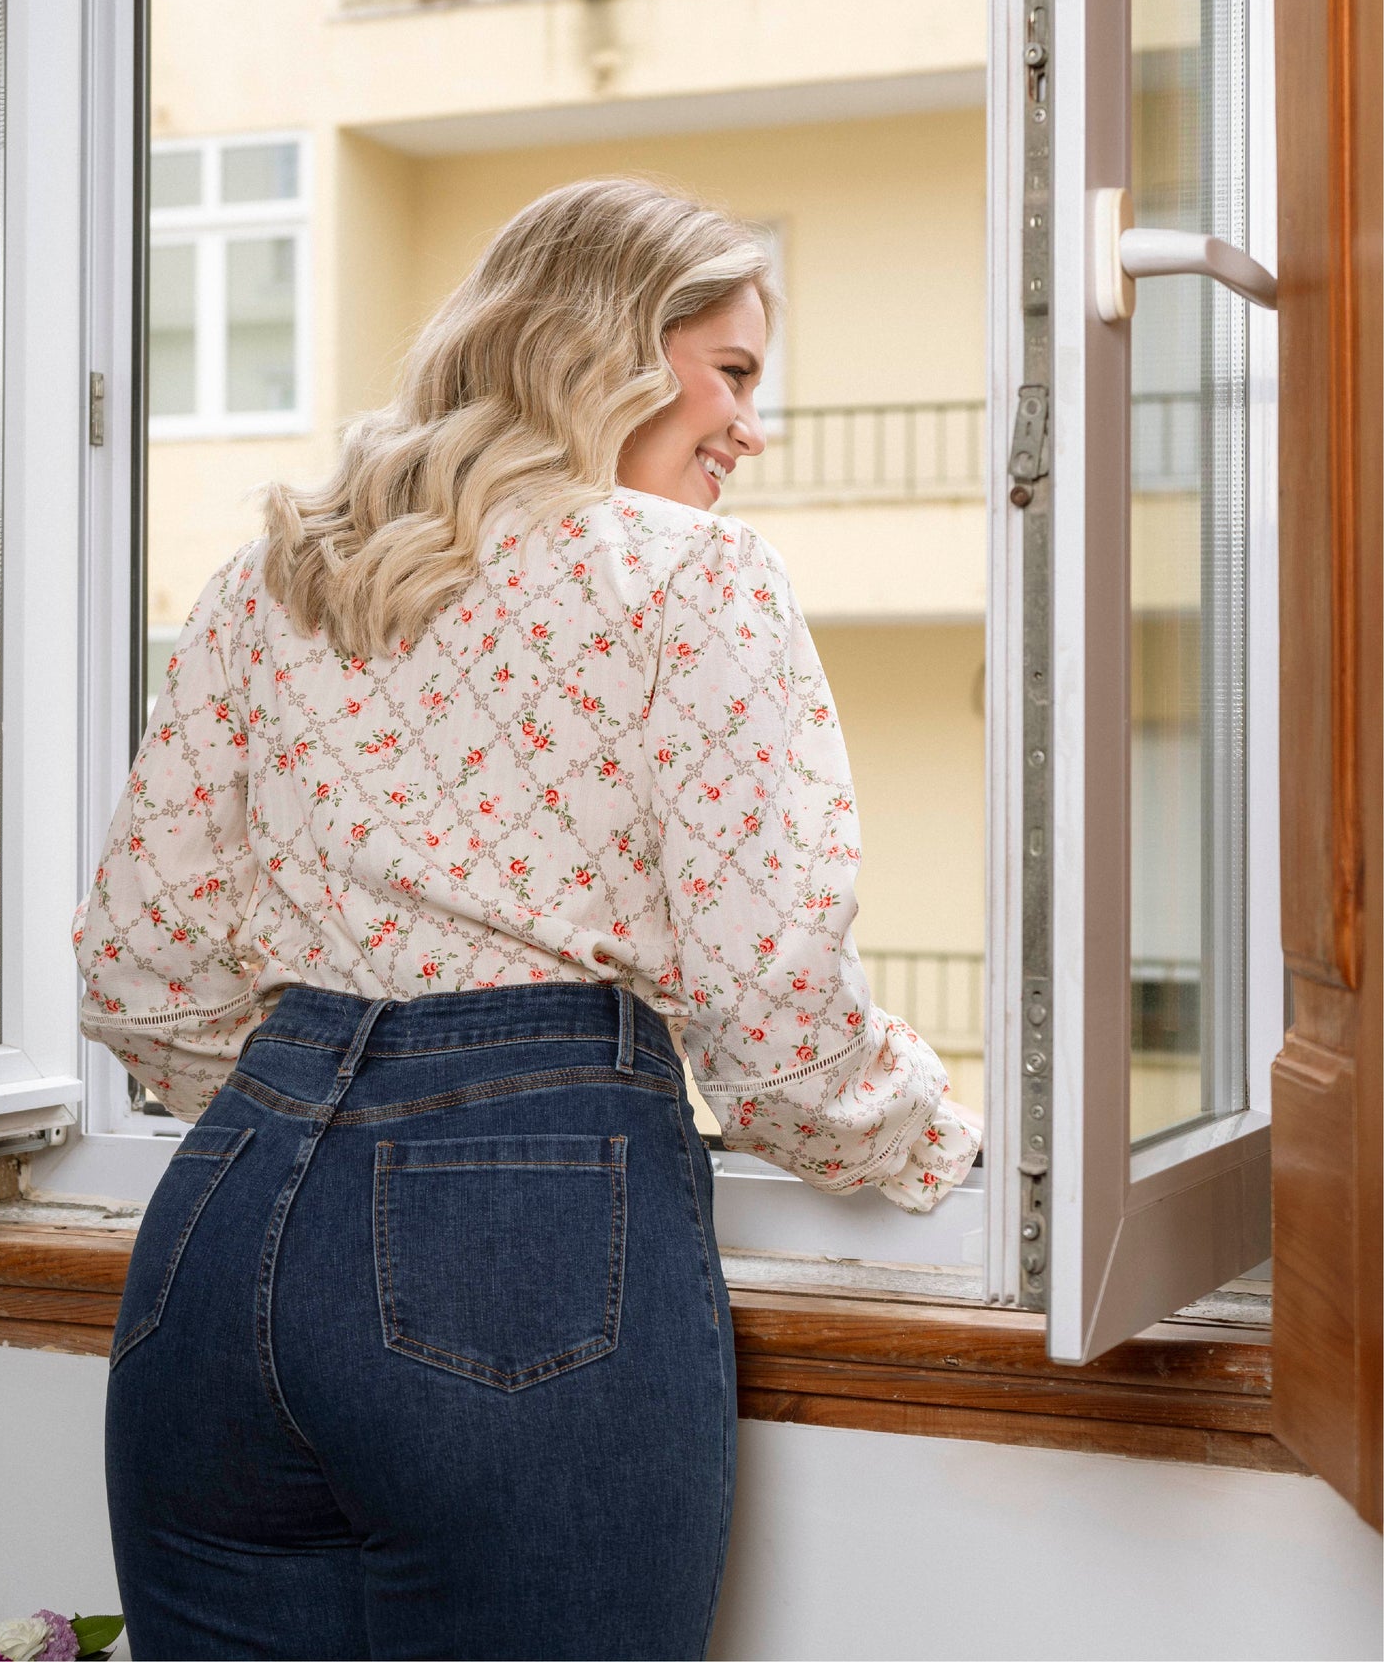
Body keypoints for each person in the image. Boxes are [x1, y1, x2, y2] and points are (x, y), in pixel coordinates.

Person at [75, 176, 981, 1662]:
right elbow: (772, 1025)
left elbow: (139, 974)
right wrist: (928, 1137)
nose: (752, 427)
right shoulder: (690, 576)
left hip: (222, 1228)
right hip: (521, 1232)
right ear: (608, 348)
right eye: (734, 374)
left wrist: (319, 1080)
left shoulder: (274, 580)